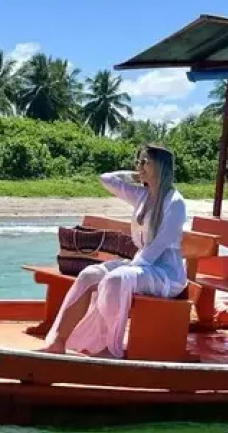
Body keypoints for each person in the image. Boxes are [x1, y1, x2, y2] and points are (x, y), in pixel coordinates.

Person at [42, 145, 188, 358]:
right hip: (142, 266)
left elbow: (159, 245)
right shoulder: (142, 196)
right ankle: (58, 341)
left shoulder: (175, 203)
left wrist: (130, 266)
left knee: (115, 280)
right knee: (89, 274)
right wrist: (133, 175)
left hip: (165, 274)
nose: (140, 166)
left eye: (145, 162)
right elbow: (106, 179)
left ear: (161, 166)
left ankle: (108, 348)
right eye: (138, 162)